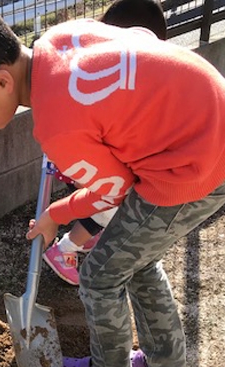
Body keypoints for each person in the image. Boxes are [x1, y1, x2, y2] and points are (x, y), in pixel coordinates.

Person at [0, 0, 225, 367]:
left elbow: (115, 190)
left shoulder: (59, 128)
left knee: (100, 273)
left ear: (2, 83)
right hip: (208, 119)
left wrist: (54, 215)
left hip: (192, 167)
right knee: (137, 258)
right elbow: (136, 48)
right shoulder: (60, 40)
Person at [44, 0, 167, 286]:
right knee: (109, 207)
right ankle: (65, 250)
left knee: (103, 207)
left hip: (83, 164)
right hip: (87, 167)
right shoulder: (118, 79)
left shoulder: (98, 69)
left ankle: (84, 239)